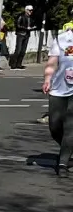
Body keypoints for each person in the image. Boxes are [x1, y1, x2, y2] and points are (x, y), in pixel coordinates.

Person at [42, 20, 73, 174]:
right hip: (59, 88)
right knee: (54, 126)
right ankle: (68, 148)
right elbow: (52, 63)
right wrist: (48, 79)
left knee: (70, 126)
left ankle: (63, 163)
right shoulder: (62, 39)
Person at [11, 5, 35, 70]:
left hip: (27, 35)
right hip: (20, 34)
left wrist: (32, 27)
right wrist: (26, 28)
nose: (31, 12)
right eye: (30, 10)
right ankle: (13, 65)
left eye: (31, 10)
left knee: (23, 51)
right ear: (26, 10)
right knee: (18, 50)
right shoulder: (21, 16)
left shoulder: (30, 18)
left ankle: (19, 64)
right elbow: (17, 25)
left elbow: (32, 25)